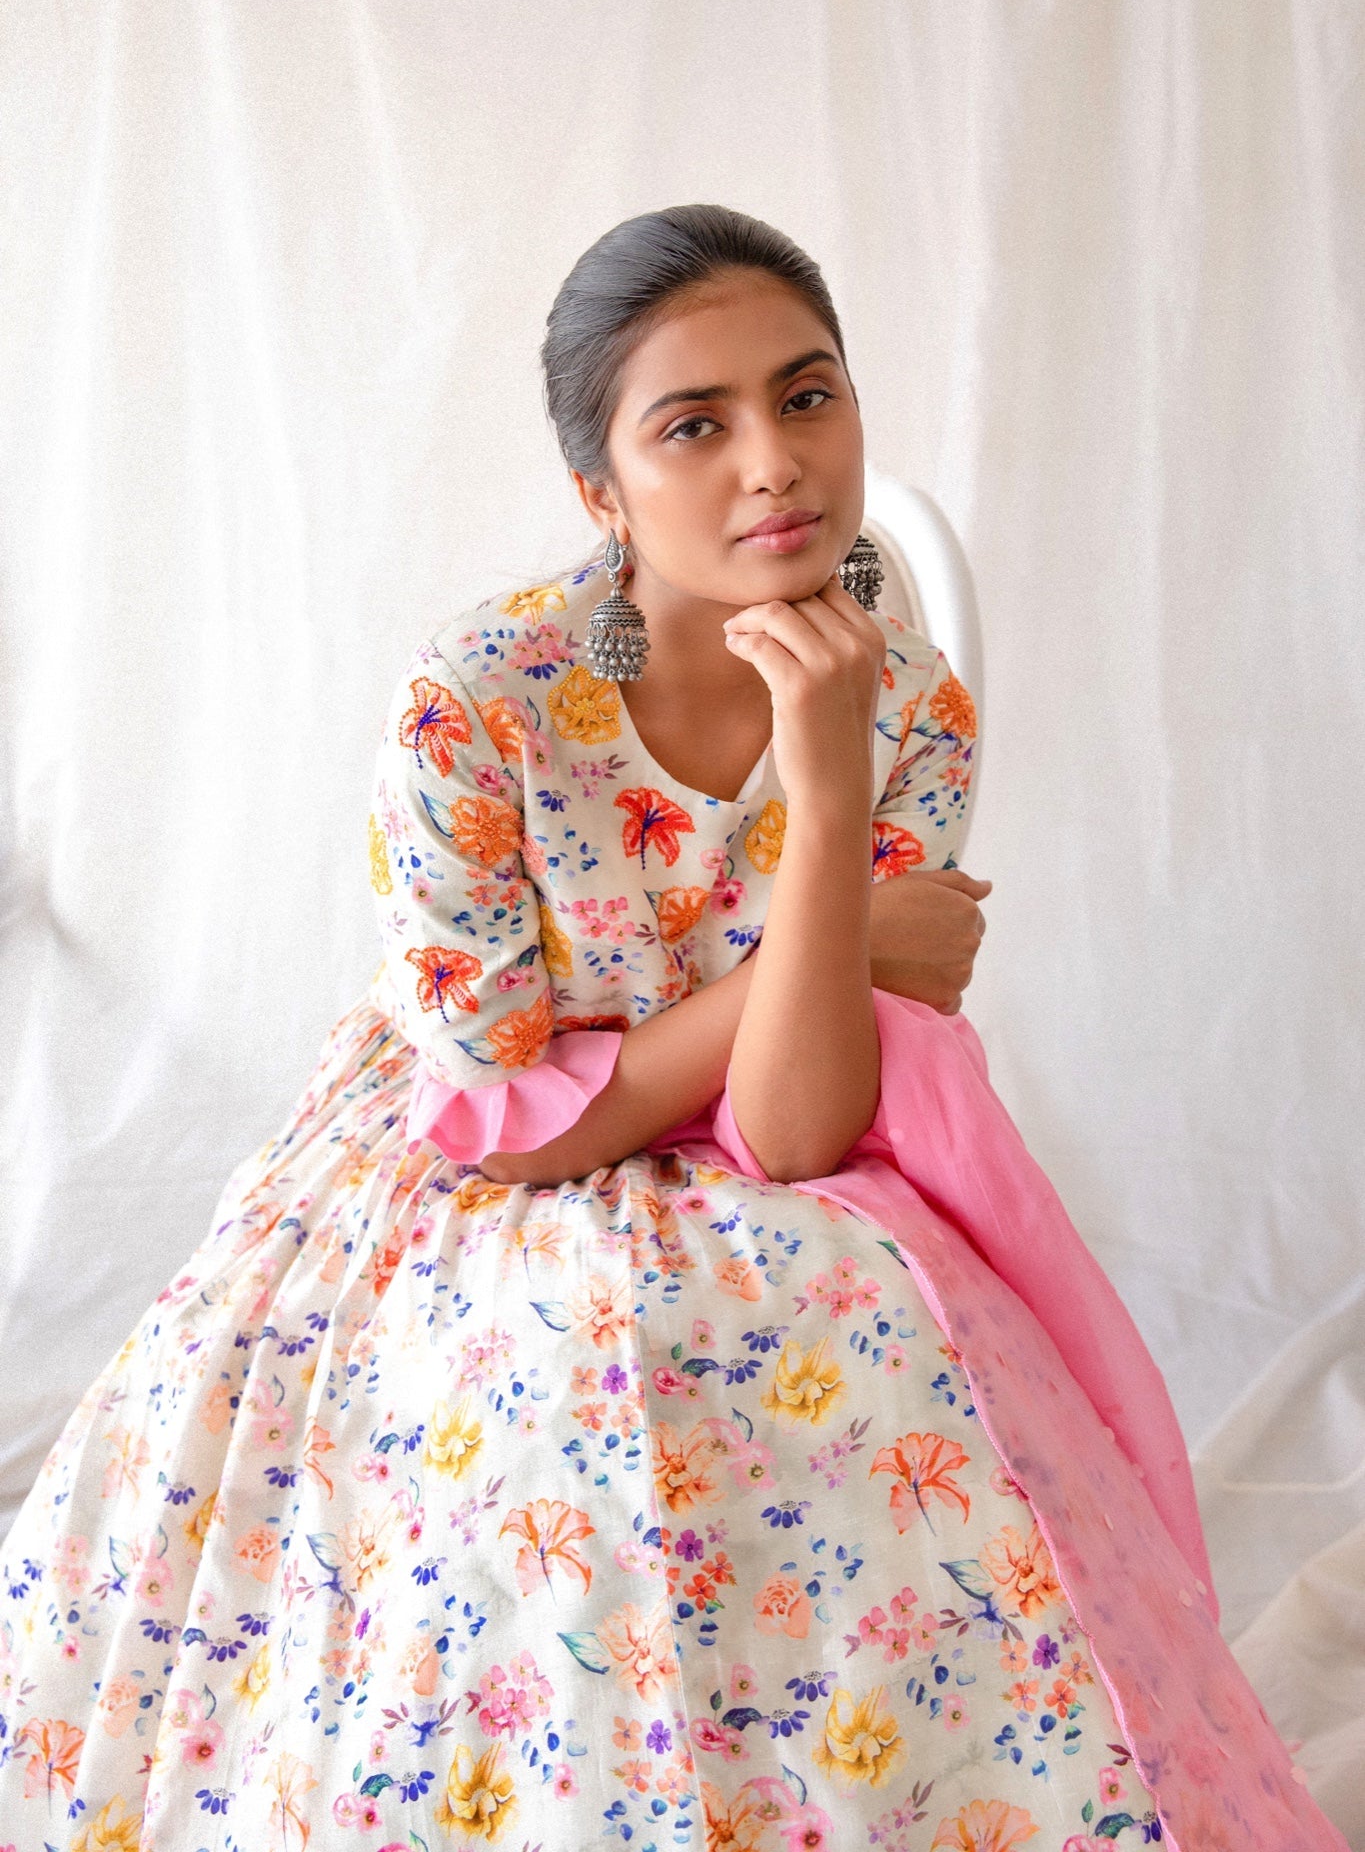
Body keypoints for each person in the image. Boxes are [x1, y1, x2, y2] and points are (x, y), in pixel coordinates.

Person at [0, 205, 1338, 1852]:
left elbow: (790, 1136)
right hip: (471, 1164)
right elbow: (522, 1123)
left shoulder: (894, 696)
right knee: (565, 1375)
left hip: (756, 1146)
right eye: (693, 426)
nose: (772, 463)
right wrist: (824, 963)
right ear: (600, 493)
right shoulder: (477, 702)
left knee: (844, 1325)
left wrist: (829, 781)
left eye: (808, 395)